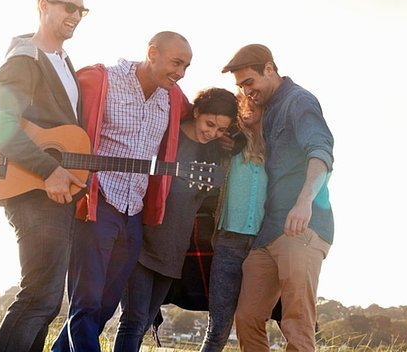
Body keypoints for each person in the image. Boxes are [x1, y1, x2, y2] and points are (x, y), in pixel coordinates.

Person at [51, 31, 193, 352]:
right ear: (152, 53)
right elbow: (52, 105)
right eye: (176, 63)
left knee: (105, 306)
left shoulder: (172, 97)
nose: (181, 73)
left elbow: (202, 117)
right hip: (96, 204)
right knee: (86, 302)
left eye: (186, 67)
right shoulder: (101, 80)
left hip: (134, 212)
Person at [0, 0, 89, 352]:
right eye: (68, 6)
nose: (76, 15)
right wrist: (49, 169)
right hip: (32, 188)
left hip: (55, 195)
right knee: (39, 297)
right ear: (44, 6)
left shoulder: (62, 61)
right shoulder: (26, 58)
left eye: (82, 8)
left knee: (46, 303)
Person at [223, 44, 334, 352]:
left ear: (269, 69)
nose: (246, 90)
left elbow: (321, 152)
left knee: (296, 323)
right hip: (269, 232)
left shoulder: (299, 102)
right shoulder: (266, 110)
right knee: (247, 317)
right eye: (241, 86)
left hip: (302, 229)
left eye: (249, 82)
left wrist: (304, 202)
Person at [113, 87, 239, 352]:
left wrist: (228, 149)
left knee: (145, 320)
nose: (211, 132)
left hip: (173, 248)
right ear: (196, 112)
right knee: (133, 319)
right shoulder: (167, 135)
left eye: (219, 129)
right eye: (209, 123)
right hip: (141, 240)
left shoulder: (215, 151)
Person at [199, 92, 267, 352]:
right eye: (247, 112)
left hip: (264, 245)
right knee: (218, 327)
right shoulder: (227, 148)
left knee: (253, 324)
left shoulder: (278, 154)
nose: (252, 117)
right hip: (228, 241)